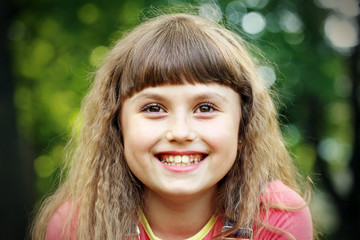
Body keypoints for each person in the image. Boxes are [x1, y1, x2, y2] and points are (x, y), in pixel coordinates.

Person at [31, 12, 314, 240]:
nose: (180, 132)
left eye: (205, 108)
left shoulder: (277, 219)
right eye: (153, 108)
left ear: (243, 126)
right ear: (117, 127)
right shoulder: (77, 226)